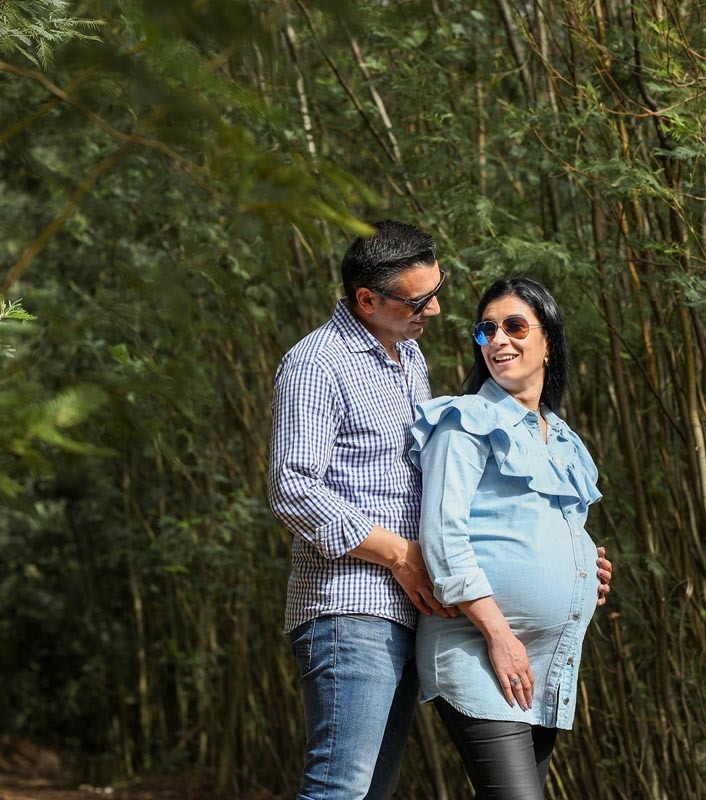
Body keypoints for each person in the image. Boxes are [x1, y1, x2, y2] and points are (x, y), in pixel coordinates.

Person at [267, 220, 452, 800]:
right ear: (367, 300)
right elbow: (292, 486)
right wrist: (398, 554)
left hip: (406, 611)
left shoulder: (410, 356)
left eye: (437, 290)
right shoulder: (316, 363)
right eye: (419, 301)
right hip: (348, 609)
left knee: (371, 792)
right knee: (338, 790)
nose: (436, 309)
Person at [408, 277, 609, 800]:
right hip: (480, 650)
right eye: (486, 330)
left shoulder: (563, 439)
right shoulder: (463, 422)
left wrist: (584, 569)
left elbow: (554, 528)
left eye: (515, 326)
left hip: (544, 662)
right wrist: (499, 636)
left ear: (549, 341)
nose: (498, 340)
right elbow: (443, 537)